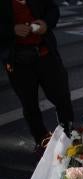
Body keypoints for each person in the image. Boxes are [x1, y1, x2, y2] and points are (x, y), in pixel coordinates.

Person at [0, 0, 74, 153]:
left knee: (62, 96)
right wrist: (12, 29)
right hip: (18, 61)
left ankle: (69, 132)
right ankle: (42, 140)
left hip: (45, 55)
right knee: (29, 104)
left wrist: (46, 23)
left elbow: (53, 9)